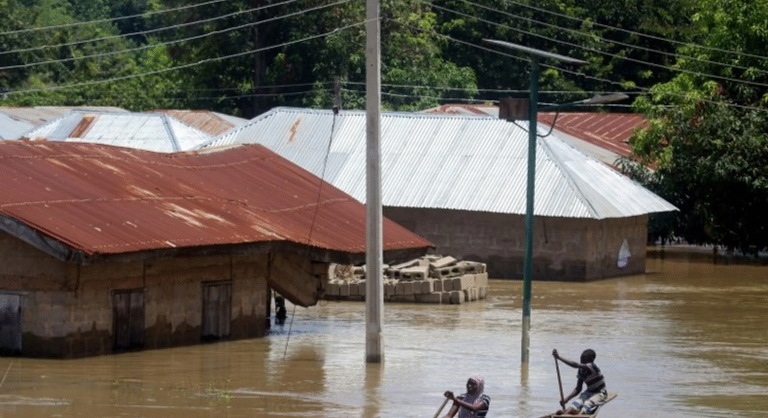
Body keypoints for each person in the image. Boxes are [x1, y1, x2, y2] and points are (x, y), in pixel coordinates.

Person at [552, 349, 608, 415]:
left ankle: (579, 414)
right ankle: (566, 414)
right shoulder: (581, 371)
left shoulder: (592, 366)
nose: (582, 361)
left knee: (588, 403)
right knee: (577, 403)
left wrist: (559, 358)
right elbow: (578, 389)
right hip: (588, 392)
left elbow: (575, 365)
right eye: (581, 359)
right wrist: (566, 399)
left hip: (600, 393)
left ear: (591, 360)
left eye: (584, 360)